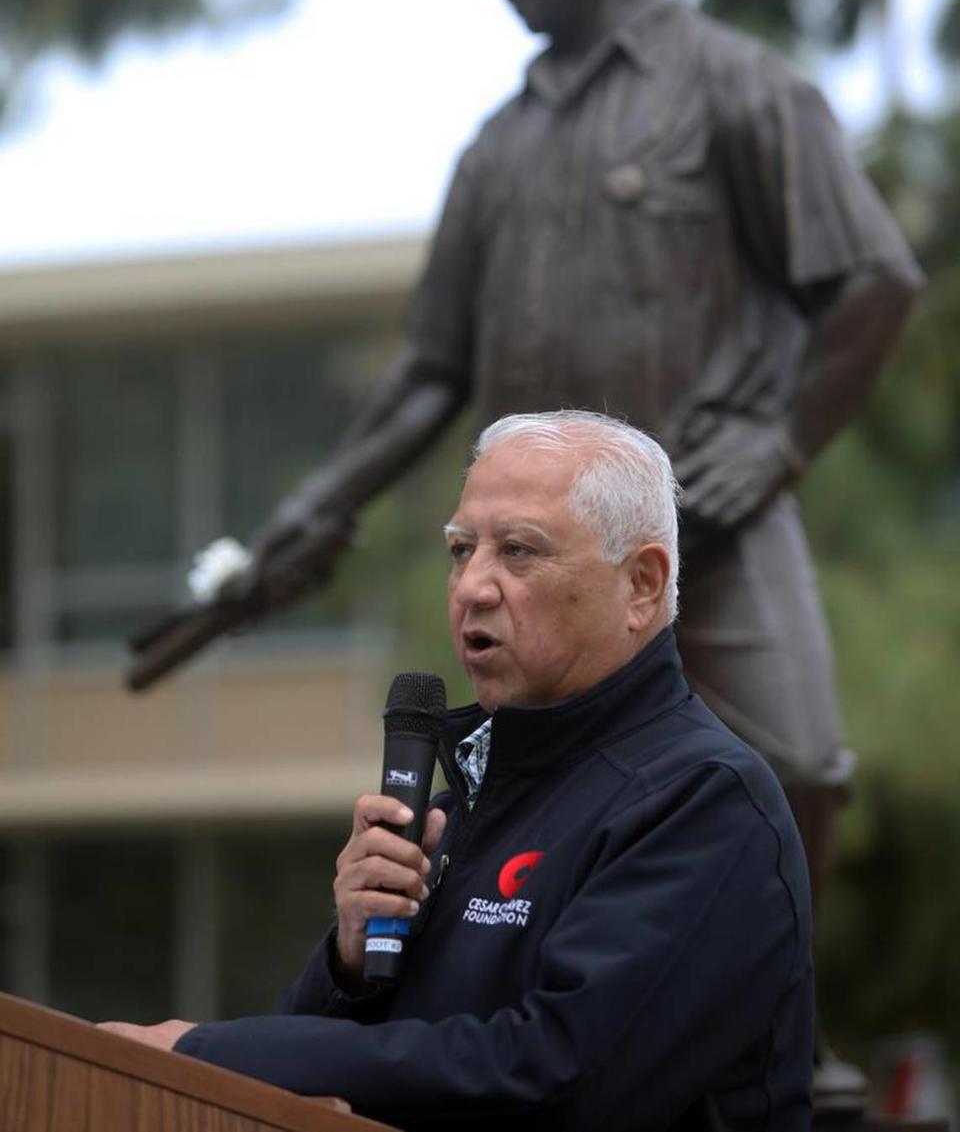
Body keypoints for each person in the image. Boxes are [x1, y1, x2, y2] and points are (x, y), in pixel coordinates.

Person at [212, 0, 922, 939]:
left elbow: (873, 281)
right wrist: (315, 507)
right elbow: (430, 365)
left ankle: (770, 1018)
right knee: (518, 793)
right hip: (536, 543)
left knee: (800, 765)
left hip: (708, 520)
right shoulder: (497, 150)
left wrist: (778, 445)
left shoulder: (742, 87)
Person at [104, 411, 814, 1132]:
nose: (472, 586)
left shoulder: (704, 798)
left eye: (518, 551)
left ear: (640, 584)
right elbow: (322, 1089)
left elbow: (555, 1078)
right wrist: (350, 961)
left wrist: (213, 1050)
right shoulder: (459, 804)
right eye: (459, 549)